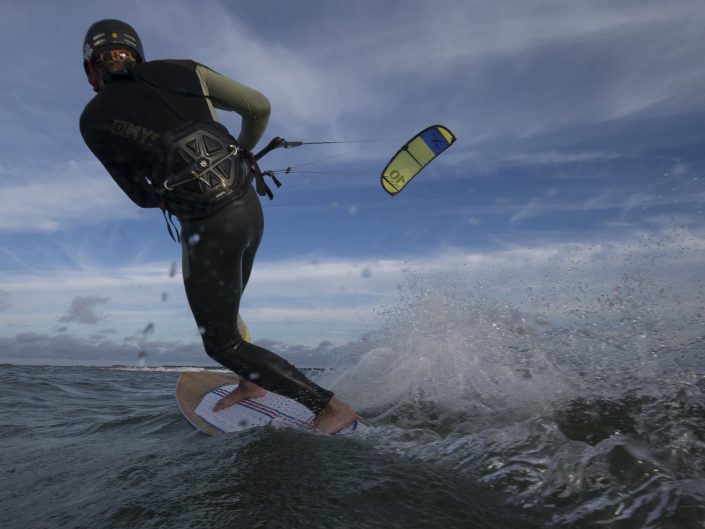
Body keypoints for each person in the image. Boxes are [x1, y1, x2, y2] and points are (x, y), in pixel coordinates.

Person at [79, 19, 356, 433]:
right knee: (229, 306)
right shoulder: (185, 69)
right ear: (139, 54)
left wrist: (166, 189)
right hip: (249, 209)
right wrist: (241, 149)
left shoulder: (93, 120)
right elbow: (258, 106)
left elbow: (138, 194)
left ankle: (329, 408)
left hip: (207, 225)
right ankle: (251, 382)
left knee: (220, 342)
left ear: (91, 71)